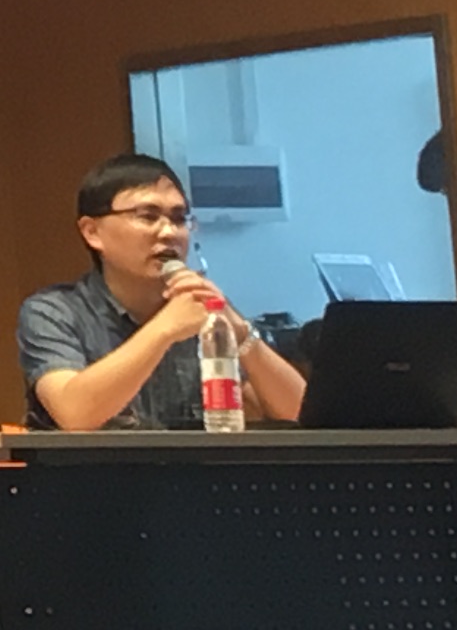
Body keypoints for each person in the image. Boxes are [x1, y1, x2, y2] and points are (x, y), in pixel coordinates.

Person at [19, 151, 308, 431]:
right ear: (92, 232)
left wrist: (242, 335)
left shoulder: (200, 312)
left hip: (194, 465)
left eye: (179, 219)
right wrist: (166, 329)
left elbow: (299, 415)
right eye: (148, 216)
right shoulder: (54, 312)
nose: (168, 232)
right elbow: (75, 414)